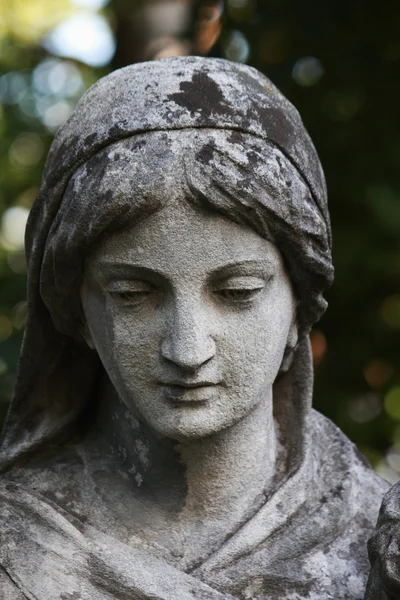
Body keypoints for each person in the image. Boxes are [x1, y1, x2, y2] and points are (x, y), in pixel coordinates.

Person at [0, 56, 388, 600]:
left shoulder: (373, 543)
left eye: (237, 293)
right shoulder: (14, 549)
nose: (187, 350)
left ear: (299, 307)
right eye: (133, 295)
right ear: (75, 310)